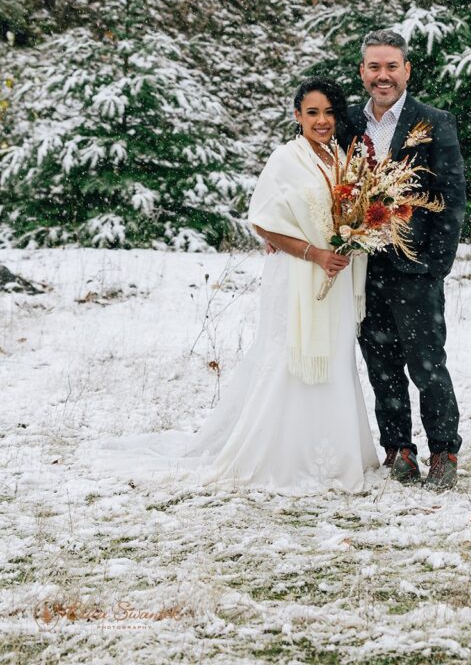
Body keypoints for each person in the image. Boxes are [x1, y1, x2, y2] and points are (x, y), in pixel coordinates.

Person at [81, 78, 379, 494]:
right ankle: (280, 454)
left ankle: (333, 452)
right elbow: (263, 222)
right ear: (297, 116)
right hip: (298, 272)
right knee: (290, 356)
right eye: (312, 113)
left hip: (337, 273)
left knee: (334, 356)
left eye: (329, 112)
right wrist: (314, 254)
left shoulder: (340, 158)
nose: (322, 120)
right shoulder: (285, 159)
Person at [339, 29, 466, 489]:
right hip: (361, 268)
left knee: (427, 363)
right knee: (381, 363)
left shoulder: (434, 122)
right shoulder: (347, 124)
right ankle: (399, 451)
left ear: (407, 70)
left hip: (416, 269)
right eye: (374, 67)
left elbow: (452, 199)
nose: (383, 75)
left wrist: (437, 265)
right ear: (362, 72)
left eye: (391, 66)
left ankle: (444, 452)